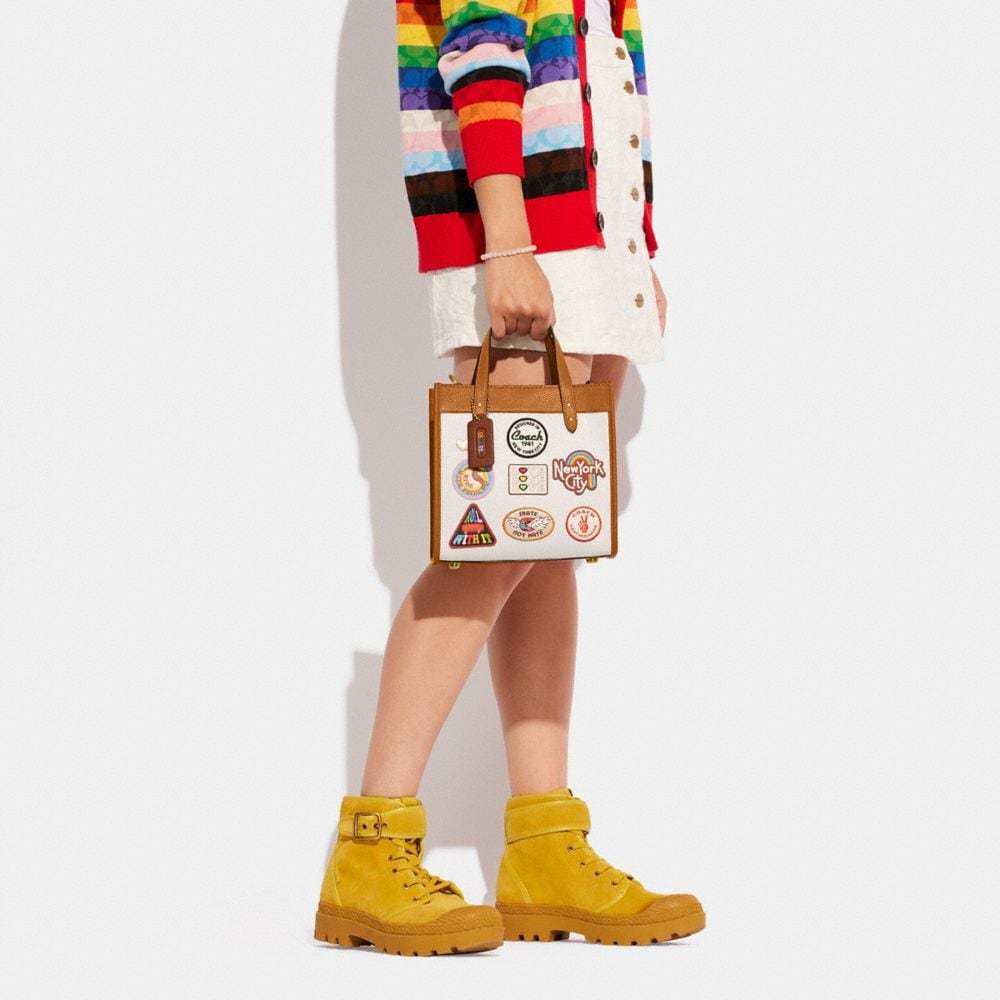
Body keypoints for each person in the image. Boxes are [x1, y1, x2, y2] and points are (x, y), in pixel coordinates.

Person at [314, 0, 704, 956]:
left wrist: (635, 248)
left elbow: (604, 67)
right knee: (488, 542)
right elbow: (480, 43)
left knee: (549, 541)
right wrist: (507, 242)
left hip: (589, 247)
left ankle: (544, 848)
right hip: (527, 241)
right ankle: (371, 850)